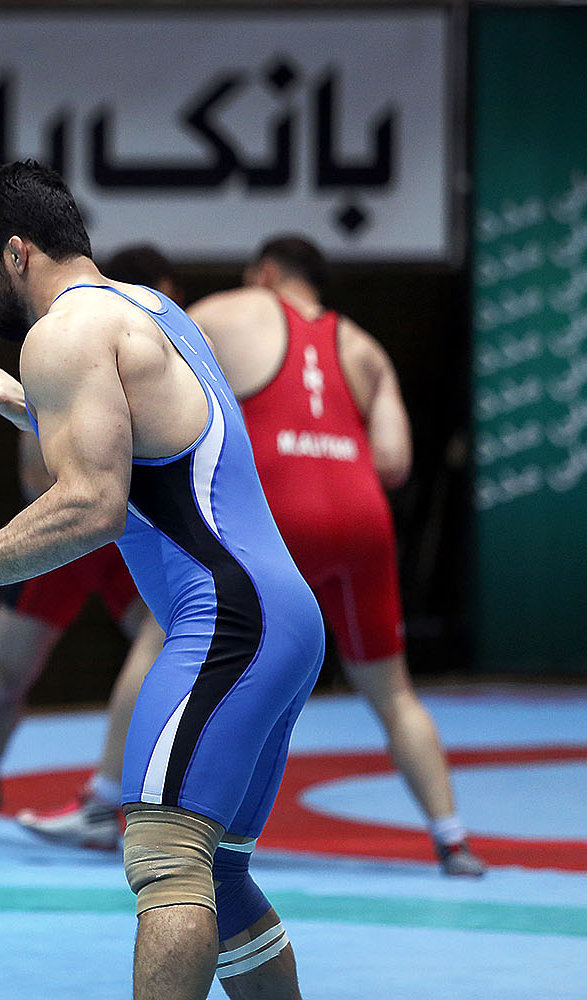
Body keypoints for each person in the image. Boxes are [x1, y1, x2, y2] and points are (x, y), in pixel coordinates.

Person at [0, 161, 325, 1000]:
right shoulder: (154, 310)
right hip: (282, 621)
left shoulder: (62, 335)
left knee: (165, 858)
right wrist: (35, 407)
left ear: (17, 253)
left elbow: (90, 507)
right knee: (220, 875)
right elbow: (158, 447)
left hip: (228, 622)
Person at [187, 236, 485, 876]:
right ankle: (452, 837)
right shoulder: (366, 348)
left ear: (265, 272)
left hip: (278, 513)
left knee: (208, 662)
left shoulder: (230, 311)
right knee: (393, 692)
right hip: (361, 516)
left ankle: (162, 818)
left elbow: (167, 392)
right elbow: (394, 463)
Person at [0, 246, 178, 847]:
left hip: (130, 532)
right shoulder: (70, 338)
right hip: (65, 531)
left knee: (170, 649)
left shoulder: (156, 353)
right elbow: (45, 482)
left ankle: (116, 797)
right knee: (2, 679)